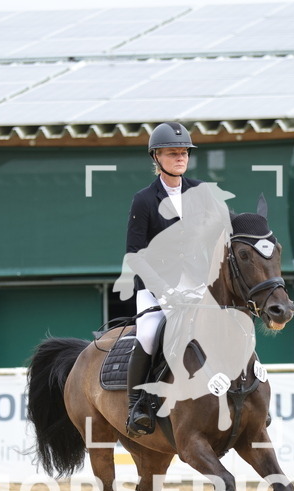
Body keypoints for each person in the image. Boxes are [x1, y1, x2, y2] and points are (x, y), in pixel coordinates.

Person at [121, 122, 200, 436]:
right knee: (151, 335)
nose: (180, 158)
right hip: (156, 288)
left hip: (195, 284)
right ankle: (136, 403)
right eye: (172, 153)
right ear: (157, 157)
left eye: (183, 153)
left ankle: (248, 391)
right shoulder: (144, 199)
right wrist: (165, 291)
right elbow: (134, 253)